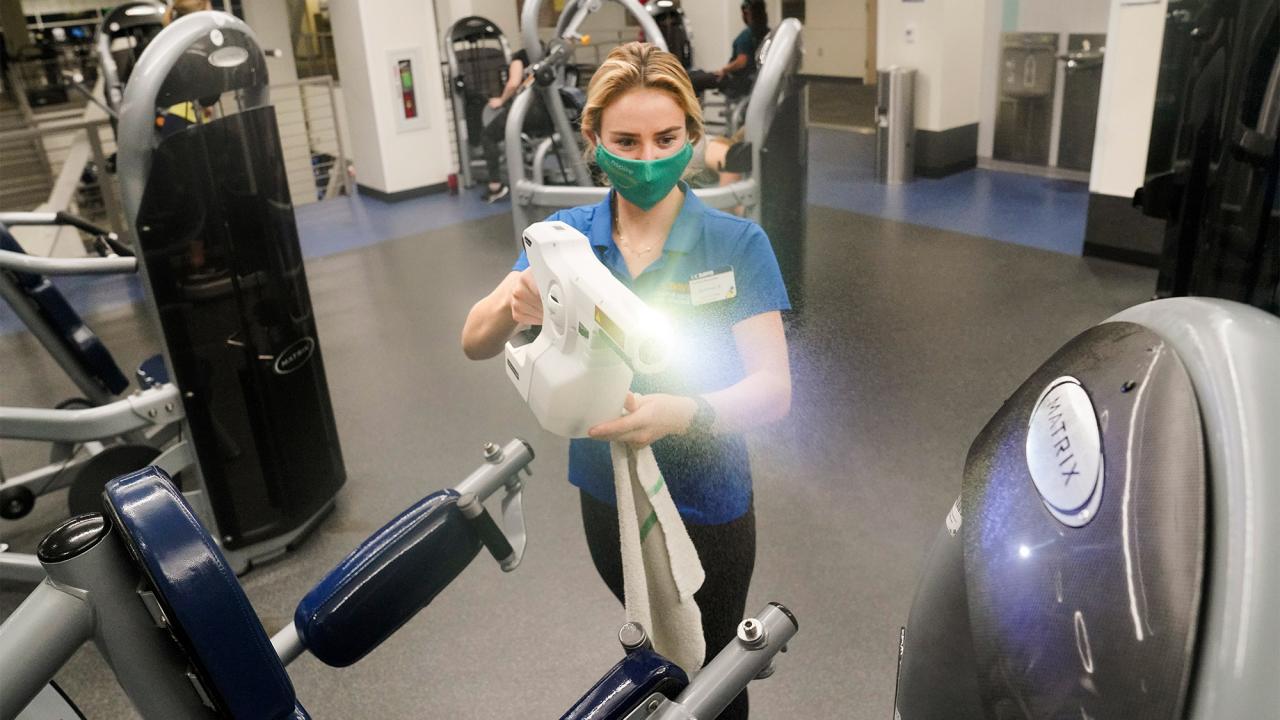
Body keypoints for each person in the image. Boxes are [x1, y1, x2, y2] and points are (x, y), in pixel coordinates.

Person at [461, 42, 791, 720]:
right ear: (592, 139)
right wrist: (508, 303)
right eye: (626, 141)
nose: (647, 159)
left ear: (692, 137)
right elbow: (474, 341)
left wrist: (684, 411)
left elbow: (773, 391)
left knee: (718, 670)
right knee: (661, 661)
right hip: (608, 494)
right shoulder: (565, 240)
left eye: (667, 138)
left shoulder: (736, 245)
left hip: (709, 499)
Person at [479, 47, 554, 203]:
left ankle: (495, 186)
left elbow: (513, 83)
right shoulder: (549, 56)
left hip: (528, 111)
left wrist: (501, 100)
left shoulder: (520, 56)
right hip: (550, 114)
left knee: (488, 136)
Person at [688, 0, 769, 96]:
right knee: (698, 72)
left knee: (691, 78)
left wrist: (724, 70)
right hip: (747, 81)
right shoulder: (767, 33)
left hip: (735, 81)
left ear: (748, 13)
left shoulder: (748, 35)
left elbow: (741, 62)